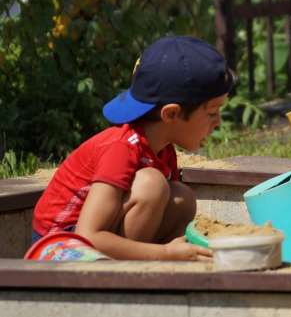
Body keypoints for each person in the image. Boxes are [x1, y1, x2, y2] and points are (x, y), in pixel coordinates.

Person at [32, 36, 234, 260]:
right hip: (59, 247)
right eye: (212, 112)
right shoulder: (121, 148)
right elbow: (88, 235)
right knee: (152, 184)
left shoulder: (163, 149)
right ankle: (130, 276)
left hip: (93, 242)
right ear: (171, 113)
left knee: (182, 198)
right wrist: (165, 253)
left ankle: (153, 274)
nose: (218, 123)